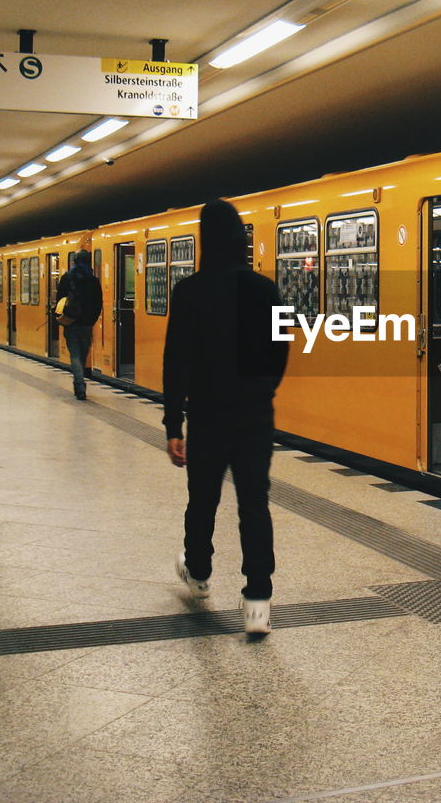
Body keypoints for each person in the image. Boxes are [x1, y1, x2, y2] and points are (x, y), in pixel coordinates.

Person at [163, 199, 288, 635]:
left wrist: (172, 425)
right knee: (254, 505)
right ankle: (257, 601)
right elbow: (281, 349)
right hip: (254, 416)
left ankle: (198, 574)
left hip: (208, 415)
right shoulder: (265, 289)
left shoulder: (189, 291)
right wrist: (261, 392)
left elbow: (175, 360)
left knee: (203, 500)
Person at [55, 250, 103, 400]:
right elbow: (98, 303)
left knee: (75, 354)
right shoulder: (93, 281)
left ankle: (79, 384)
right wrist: (92, 320)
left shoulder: (66, 278)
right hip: (87, 324)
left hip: (71, 322)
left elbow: (59, 300)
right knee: (83, 353)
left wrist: (62, 317)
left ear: (74, 261)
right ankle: (79, 381)